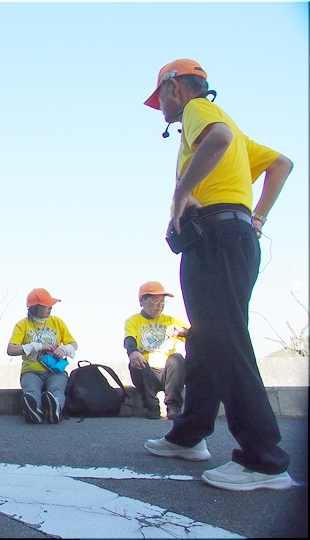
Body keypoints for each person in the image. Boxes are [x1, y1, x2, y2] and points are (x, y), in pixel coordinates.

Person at [142, 59, 293, 491]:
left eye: (160, 100)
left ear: (174, 88)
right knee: (207, 338)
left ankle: (263, 460)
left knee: (224, 338)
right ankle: (189, 436)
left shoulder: (198, 111)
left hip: (216, 237)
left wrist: (181, 193)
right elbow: (281, 163)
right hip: (234, 236)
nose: (161, 110)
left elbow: (219, 138)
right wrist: (258, 218)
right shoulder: (233, 130)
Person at [7, 288, 78, 424]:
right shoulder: (22, 325)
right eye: (46, 305)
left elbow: (74, 344)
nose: (50, 307)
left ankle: (55, 408)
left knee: (57, 389)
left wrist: (63, 349)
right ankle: (34, 410)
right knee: (31, 391)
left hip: (55, 370)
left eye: (50, 305)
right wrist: (37, 346)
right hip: (31, 370)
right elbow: (11, 349)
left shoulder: (57, 322)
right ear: (34, 307)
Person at [124, 281, 189, 420]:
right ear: (142, 301)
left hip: (168, 373)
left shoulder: (171, 320)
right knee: (137, 362)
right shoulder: (133, 321)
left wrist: (182, 331)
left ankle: (173, 407)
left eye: (162, 301)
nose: (160, 304)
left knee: (177, 358)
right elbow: (129, 340)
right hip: (147, 372)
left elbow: (196, 336)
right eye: (155, 300)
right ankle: (151, 407)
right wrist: (133, 352)